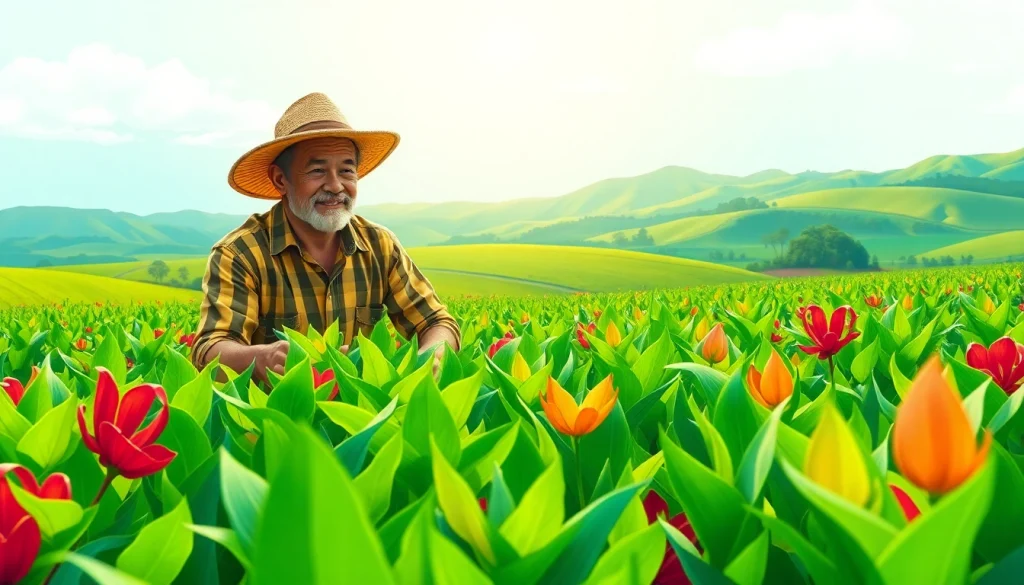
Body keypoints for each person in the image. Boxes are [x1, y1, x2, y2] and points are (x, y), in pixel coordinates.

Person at [190, 92, 460, 382]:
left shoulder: (380, 245)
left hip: (365, 411)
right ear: (281, 180)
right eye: (317, 170)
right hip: (275, 416)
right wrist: (261, 358)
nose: (335, 186)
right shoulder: (241, 253)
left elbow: (436, 322)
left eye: (346, 171)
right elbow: (211, 347)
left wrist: (431, 356)